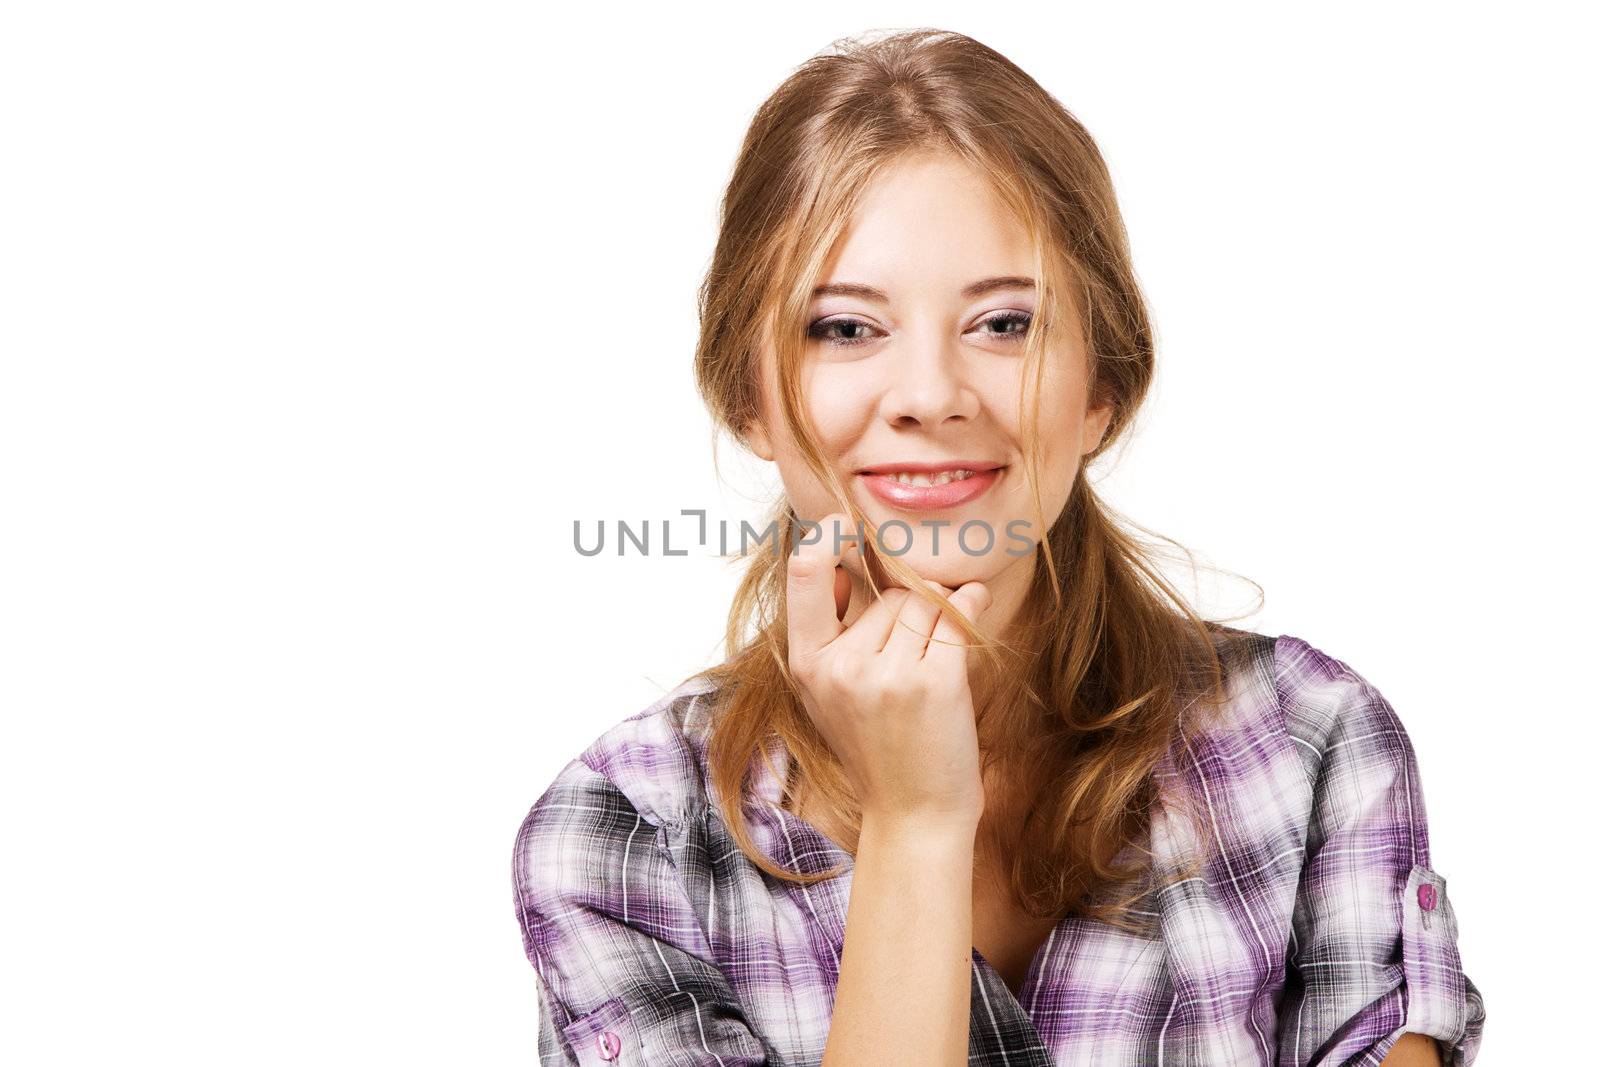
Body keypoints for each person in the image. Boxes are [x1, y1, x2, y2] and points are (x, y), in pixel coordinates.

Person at [511, 28, 1486, 1067]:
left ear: (1100, 385)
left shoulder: (1308, 742)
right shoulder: (623, 830)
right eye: (842, 328)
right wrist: (917, 823)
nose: (929, 395)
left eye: (1005, 323)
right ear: (747, 397)